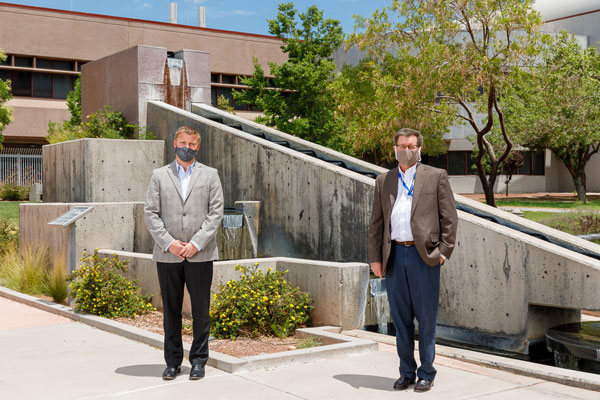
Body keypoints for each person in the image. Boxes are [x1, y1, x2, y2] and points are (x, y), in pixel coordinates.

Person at [368, 128, 458, 393]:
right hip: (394, 255)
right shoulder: (383, 180)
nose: (406, 150)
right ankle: (406, 372)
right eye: (402, 146)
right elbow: (376, 223)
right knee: (401, 319)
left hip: (425, 257)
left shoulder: (436, 176)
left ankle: (426, 373)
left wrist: (443, 253)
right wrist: (375, 258)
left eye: (411, 146)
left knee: (426, 319)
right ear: (394, 149)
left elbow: (449, 218)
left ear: (419, 149)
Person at [144, 125, 224, 381]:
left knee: (201, 311)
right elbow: (151, 213)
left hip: (200, 254)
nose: (186, 148)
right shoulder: (159, 175)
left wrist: (195, 244)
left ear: (197, 147)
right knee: (171, 311)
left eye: (191, 144)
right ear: (174, 144)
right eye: (182, 143)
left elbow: (216, 213)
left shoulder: (210, 175)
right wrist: (170, 243)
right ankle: (172, 362)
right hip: (168, 254)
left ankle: (199, 361)